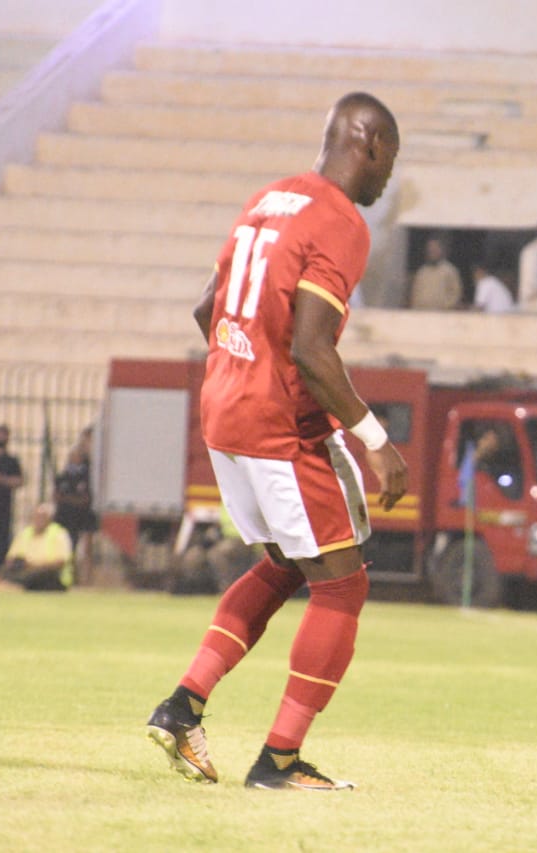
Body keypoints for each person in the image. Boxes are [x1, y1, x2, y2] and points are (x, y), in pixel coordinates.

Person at [145, 92, 408, 792]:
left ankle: (182, 706)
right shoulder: (340, 220)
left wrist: (243, 368)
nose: (388, 177)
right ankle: (280, 761)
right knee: (343, 584)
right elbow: (313, 349)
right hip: (278, 423)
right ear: (371, 144)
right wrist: (376, 439)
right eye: (391, 159)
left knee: (290, 564)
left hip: (224, 410)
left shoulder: (267, 200)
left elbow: (207, 308)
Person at [0, 502, 73, 591]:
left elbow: (60, 562)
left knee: (41, 574)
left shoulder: (59, 533)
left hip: (49, 573)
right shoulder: (25, 533)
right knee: (5, 570)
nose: (39, 519)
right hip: (26, 570)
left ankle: (16, 585)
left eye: (43, 516)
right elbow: (11, 558)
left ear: (50, 518)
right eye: (37, 516)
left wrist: (34, 565)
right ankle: (15, 584)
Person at [53, 439, 98, 584]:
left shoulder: (88, 476)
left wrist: (67, 499)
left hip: (84, 517)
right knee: (68, 548)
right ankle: (71, 578)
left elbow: (85, 499)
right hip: (65, 517)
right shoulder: (63, 476)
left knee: (86, 549)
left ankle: (87, 580)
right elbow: (56, 496)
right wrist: (71, 499)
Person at [0, 423, 24, 571]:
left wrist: (1, 479)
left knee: (2, 535)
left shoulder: (11, 461)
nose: (0, 437)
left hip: (3, 504)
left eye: (4, 434)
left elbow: (19, 481)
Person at [408, 236, 462, 310]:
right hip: (422, 313)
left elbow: (456, 293)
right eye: (430, 249)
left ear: (441, 250)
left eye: (435, 249)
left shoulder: (450, 270)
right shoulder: (422, 272)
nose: (432, 251)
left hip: (441, 313)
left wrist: (446, 306)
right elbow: (414, 294)